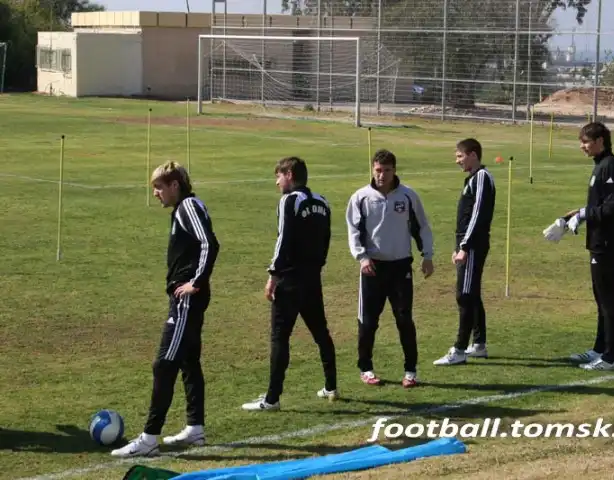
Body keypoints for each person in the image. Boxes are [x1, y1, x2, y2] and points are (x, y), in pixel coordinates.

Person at [112, 161, 220, 458]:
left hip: (186, 299)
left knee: (164, 363)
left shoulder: (188, 207)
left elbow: (209, 244)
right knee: (188, 360)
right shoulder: (184, 208)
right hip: (187, 296)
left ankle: (149, 438)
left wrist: (195, 282)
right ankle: (195, 428)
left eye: (159, 187)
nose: (155, 193)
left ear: (175, 185)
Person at [242, 157, 338, 410]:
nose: (277, 182)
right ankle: (331, 386)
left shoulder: (289, 201)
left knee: (279, 337)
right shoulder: (322, 201)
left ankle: (272, 399)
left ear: (290, 175)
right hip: (313, 279)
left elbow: (282, 239)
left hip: (290, 280)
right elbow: (326, 238)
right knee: (321, 333)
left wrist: (273, 275)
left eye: (279, 176)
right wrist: (317, 266)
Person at [346, 149, 434, 388]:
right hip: (372, 268)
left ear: (394, 170)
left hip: (401, 266)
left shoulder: (408, 196)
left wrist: (427, 255)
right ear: (372, 169)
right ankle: (366, 368)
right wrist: (362, 258)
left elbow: (422, 227)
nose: (381, 175)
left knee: (404, 319)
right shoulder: (361, 197)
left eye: (386, 170)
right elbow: (353, 231)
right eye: (378, 170)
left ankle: (410, 371)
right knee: (368, 321)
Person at [562, 122, 614, 371]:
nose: (582, 146)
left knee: (608, 299)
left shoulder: (610, 165)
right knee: (600, 298)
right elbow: (600, 204)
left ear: (600, 141)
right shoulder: (600, 165)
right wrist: (576, 214)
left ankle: (610, 357)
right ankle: (599, 349)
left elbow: (613, 206)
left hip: (607, 242)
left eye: (586, 142)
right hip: (598, 241)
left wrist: (584, 214)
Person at [434, 138, 496, 366]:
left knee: (465, 295)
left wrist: (465, 247)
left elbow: (478, 215)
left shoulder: (482, 177)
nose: (457, 160)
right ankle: (479, 344)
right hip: (466, 243)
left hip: (473, 245)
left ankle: (459, 349)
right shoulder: (472, 179)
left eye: (460, 156)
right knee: (472, 293)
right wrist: (458, 246)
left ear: (473, 155)